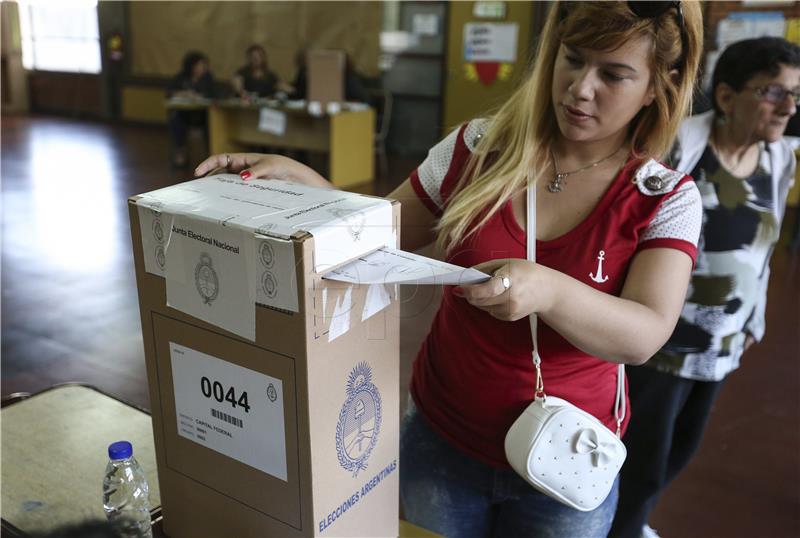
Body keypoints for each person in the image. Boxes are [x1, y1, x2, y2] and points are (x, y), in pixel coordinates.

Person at [195, 2, 703, 536]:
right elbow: (380, 240)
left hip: (566, 460)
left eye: (613, 75)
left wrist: (549, 291)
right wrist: (307, 187)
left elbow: (644, 334)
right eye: (572, 60)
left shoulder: (664, 198)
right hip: (442, 443)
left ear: (657, 86)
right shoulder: (476, 148)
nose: (580, 88)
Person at [610, 36, 800, 538]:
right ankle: (620, 527)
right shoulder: (680, 149)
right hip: (662, 342)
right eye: (774, 92)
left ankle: (632, 521)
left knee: (680, 451)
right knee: (639, 454)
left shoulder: (778, 158)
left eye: (795, 95)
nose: (789, 107)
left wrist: (753, 317)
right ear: (726, 96)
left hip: (723, 342)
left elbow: (762, 247)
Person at [166, 51, 215, 168]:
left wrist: (200, 96)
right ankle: (180, 151)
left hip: (202, 114)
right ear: (192, 66)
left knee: (211, 123)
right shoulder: (181, 77)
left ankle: (211, 153)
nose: (203, 67)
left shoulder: (207, 77)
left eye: (204, 65)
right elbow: (169, 92)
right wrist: (183, 93)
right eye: (200, 65)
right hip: (185, 113)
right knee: (175, 119)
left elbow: (214, 93)